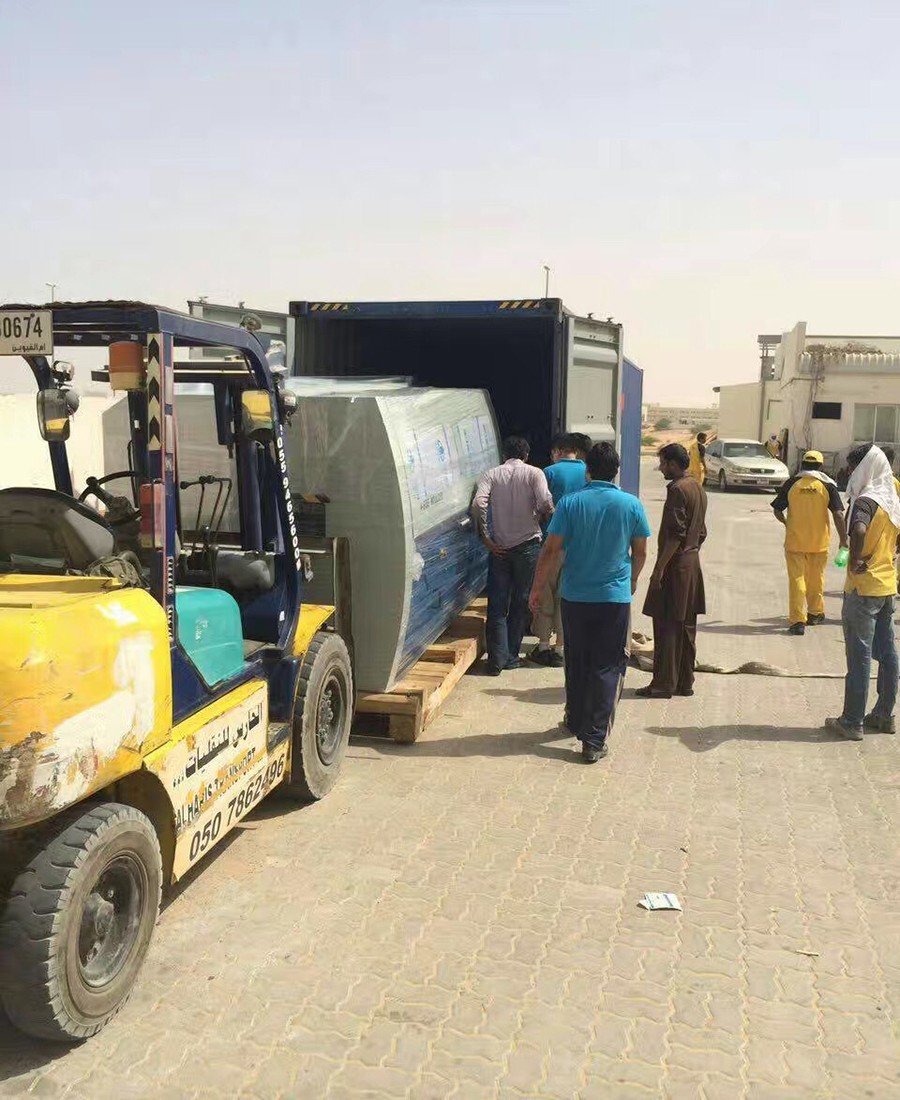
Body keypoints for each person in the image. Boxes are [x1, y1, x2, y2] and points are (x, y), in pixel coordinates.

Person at [528, 442, 650, 763]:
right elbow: (640, 552)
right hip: (613, 599)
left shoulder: (570, 504)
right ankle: (594, 740)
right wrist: (632, 580)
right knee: (608, 665)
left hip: (575, 597)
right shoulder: (631, 504)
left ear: (588, 470)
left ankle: (575, 720)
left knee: (578, 660)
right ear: (616, 471)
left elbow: (551, 550)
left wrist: (537, 588)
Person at [826, 444, 900, 740]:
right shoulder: (891, 498)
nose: (849, 471)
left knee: (860, 655)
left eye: (853, 466)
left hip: (863, 588)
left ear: (865, 467)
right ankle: (884, 715)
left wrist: (855, 560)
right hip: (887, 585)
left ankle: (852, 721)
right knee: (888, 653)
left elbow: (858, 529)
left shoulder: (866, 500)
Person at [474, 436, 554, 675]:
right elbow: (545, 502)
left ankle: (495, 660)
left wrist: (485, 538)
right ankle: (510, 656)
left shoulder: (491, 474)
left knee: (497, 604)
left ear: (503, 455)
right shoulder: (535, 473)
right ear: (526, 455)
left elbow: (478, 504)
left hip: (499, 548)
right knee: (521, 601)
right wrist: (542, 517)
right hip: (527, 546)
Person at [639, 443, 707, 699]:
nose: (661, 468)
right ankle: (684, 682)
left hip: (676, 566)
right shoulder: (697, 487)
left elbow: (675, 535)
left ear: (673, 464)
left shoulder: (677, 489)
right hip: (691, 564)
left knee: (667, 625)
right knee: (686, 626)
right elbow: (701, 532)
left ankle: (663, 684)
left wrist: (659, 569)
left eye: (663, 463)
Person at [771, 450, 847, 635]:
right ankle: (815, 613)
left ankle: (797, 621)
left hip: (795, 542)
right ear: (820, 466)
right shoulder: (827, 485)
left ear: (802, 465)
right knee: (816, 578)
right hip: (819, 543)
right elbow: (838, 514)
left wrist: (787, 523)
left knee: (797, 580)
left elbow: (777, 509)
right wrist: (843, 540)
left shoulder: (791, 483)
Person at [529, 433, 588, 667]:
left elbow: (539, 506)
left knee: (545, 593)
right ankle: (561, 648)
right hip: (578, 547)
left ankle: (543, 645)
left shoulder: (549, 472)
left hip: (552, 543)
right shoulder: (588, 471)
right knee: (566, 597)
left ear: (558, 451)